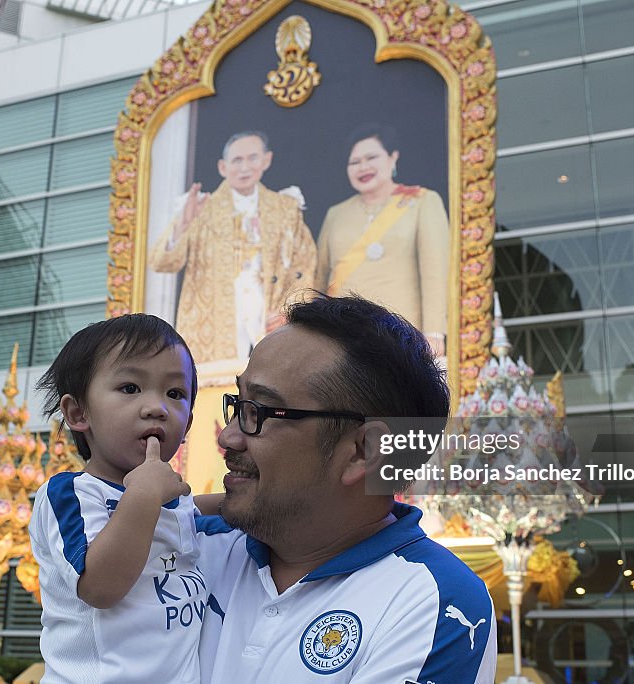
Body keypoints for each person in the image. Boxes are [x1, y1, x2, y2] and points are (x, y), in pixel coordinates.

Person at [196, 294, 497, 683]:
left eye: (261, 412)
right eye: (238, 405)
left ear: (362, 451)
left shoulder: (432, 602)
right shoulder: (188, 545)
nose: (229, 438)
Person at [29, 314, 217, 683]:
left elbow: (203, 511)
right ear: (78, 412)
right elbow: (100, 587)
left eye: (175, 394)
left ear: (189, 423)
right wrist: (145, 493)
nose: (156, 407)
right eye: (130, 388)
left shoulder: (170, 503)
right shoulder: (71, 493)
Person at [148, 131, 317, 364]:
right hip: (214, 322)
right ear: (222, 167)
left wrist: (289, 309)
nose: (244, 167)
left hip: (267, 318)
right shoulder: (200, 208)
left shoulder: (285, 208)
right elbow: (162, 262)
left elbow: (305, 265)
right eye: (237, 160)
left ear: (266, 160)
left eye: (252, 158)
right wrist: (183, 224)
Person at [315, 124, 451, 357]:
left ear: (392, 157)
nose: (363, 167)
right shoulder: (336, 214)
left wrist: (435, 333)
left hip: (402, 332)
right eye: (354, 162)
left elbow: (435, 272)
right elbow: (318, 277)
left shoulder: (422, 201)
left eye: (371, 157)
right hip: (342, 336)